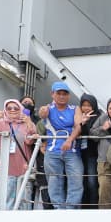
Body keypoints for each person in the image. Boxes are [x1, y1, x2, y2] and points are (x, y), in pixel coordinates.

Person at [0, 98, 39, 209]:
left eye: (16, 108)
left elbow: (30, 141)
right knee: (8, 200)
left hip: (24, 167)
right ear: (5, 109)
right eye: (9, 108)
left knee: (24, 201)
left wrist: (29, 124)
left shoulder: (26, 122)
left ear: (21, 109)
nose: (12, 110)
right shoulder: (0, 122)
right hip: (7, 168)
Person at [37, 81, 84, 209]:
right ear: (52, 94)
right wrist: (43, 111)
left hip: (72, 151)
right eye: (59, 93)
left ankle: (70, 209)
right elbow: (42, 114)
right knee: (54, 182)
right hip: (52, 151)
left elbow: (78, 126)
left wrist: (69, 140)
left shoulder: (75, 109)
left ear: (69, 95)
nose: (62, 96)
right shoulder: (47, 108)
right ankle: (59, 209)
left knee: (76, 180)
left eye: (65, 93)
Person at [75, 93, 100, 209]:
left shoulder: (99, 117)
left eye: (89, 105)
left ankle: (93, 206)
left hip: (92, 154)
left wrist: (84, 123)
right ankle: (83, 206)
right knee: (81, 181)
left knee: (92, 181)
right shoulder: (78, 116)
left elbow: (91, 134)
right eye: (84, 105)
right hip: (79, 153)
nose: (86, 108)